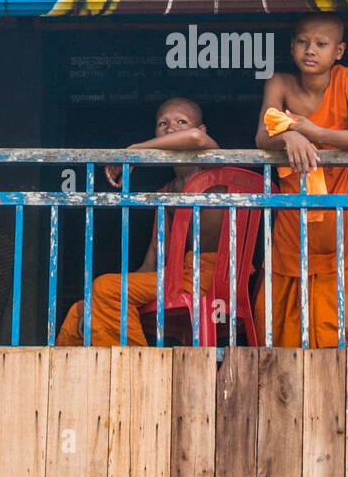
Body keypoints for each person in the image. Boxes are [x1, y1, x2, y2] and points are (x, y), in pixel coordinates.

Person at [56, 97, 223, 346]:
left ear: (201, 129)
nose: (171, 128)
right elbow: (151, 263)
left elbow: (196, 142)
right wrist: (103, 297)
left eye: (181, 121)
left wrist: (136, 150)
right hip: (175, 278)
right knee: (83, 308)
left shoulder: (213, 171)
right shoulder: (167, 192)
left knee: (106, 289)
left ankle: (136, 376)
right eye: (162, 123)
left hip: (211, 278)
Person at [254, 13, 348, 348]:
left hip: (344, 205)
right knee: (288, 302)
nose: (310, 50)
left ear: (338, 51)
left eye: (321, 44)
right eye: (302, 42)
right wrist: (290, 137)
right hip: (297, 206)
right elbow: (264, 137)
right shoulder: (279, 82)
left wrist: (312, 131)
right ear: (292, 45)